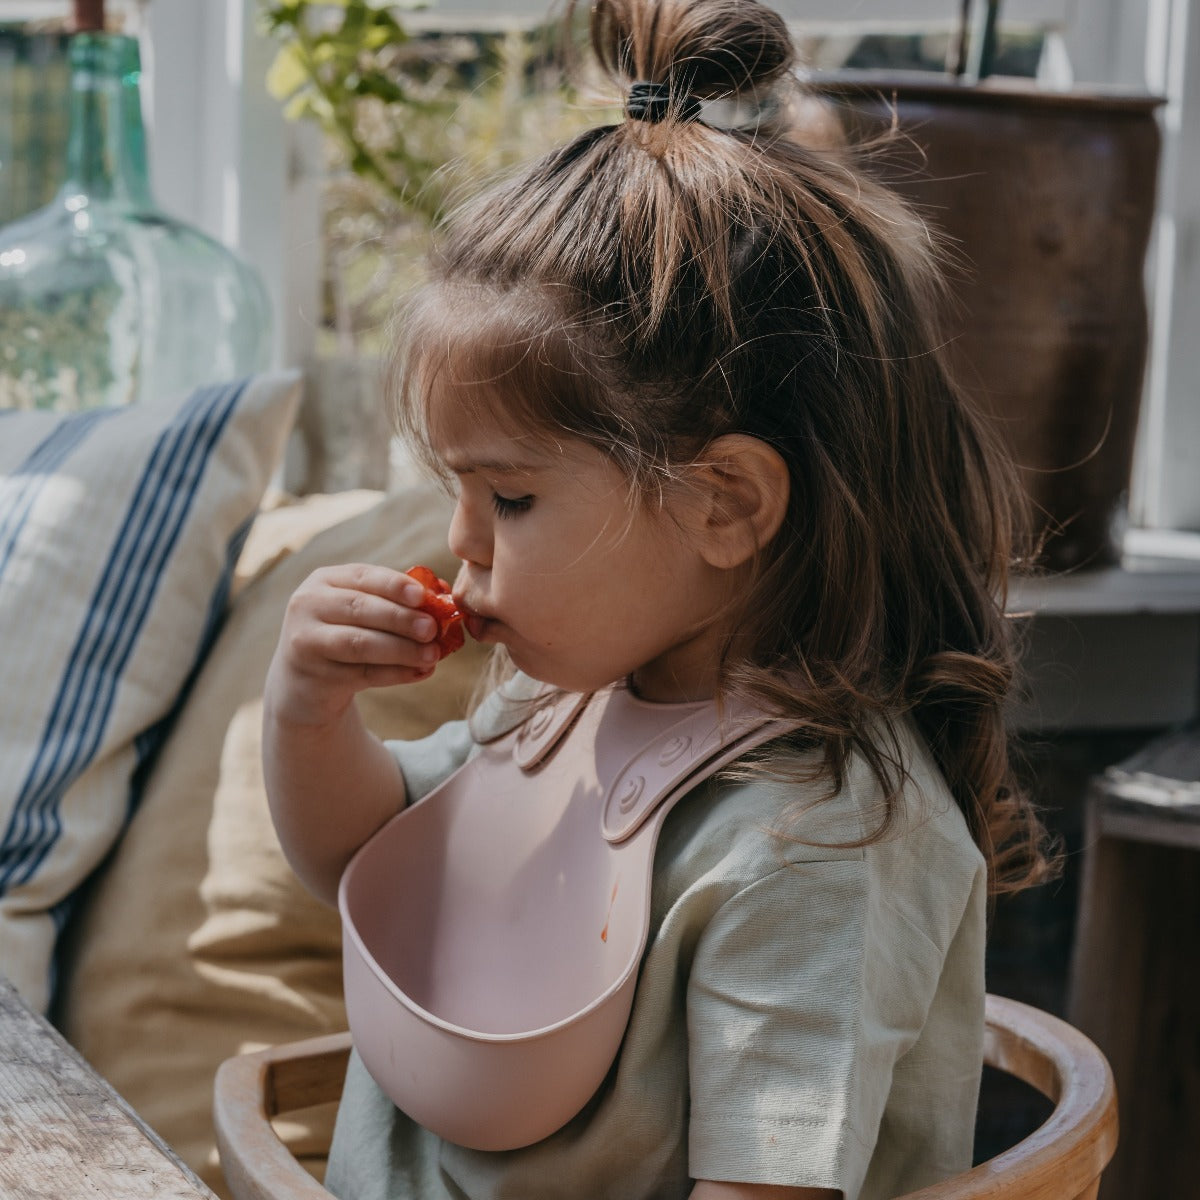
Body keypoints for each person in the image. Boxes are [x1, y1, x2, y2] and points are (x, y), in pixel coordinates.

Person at [261, 1, 1056, 1197]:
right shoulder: (560, 703)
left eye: (509, 497)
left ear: (725, 504)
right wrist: (308, 712)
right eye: (456, 491)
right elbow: (364, 867)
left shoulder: (819, 845)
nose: (460, 542)